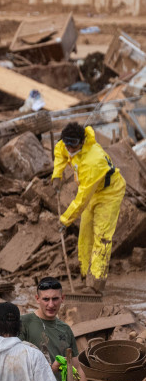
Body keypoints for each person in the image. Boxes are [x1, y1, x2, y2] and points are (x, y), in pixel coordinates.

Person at [51, 123, 126, 294]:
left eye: (73, 144)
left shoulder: (94, 160)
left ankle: (96, 284)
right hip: (91, 191)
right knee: (85, 235)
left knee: (102, 237)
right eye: (67, 144)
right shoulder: (66, 145)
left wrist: (65, 219)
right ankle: (86, 278)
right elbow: (59, 152)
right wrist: (57, 175)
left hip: (109, 193)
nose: (69, 148)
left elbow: (82, 197)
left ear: (82, 141)